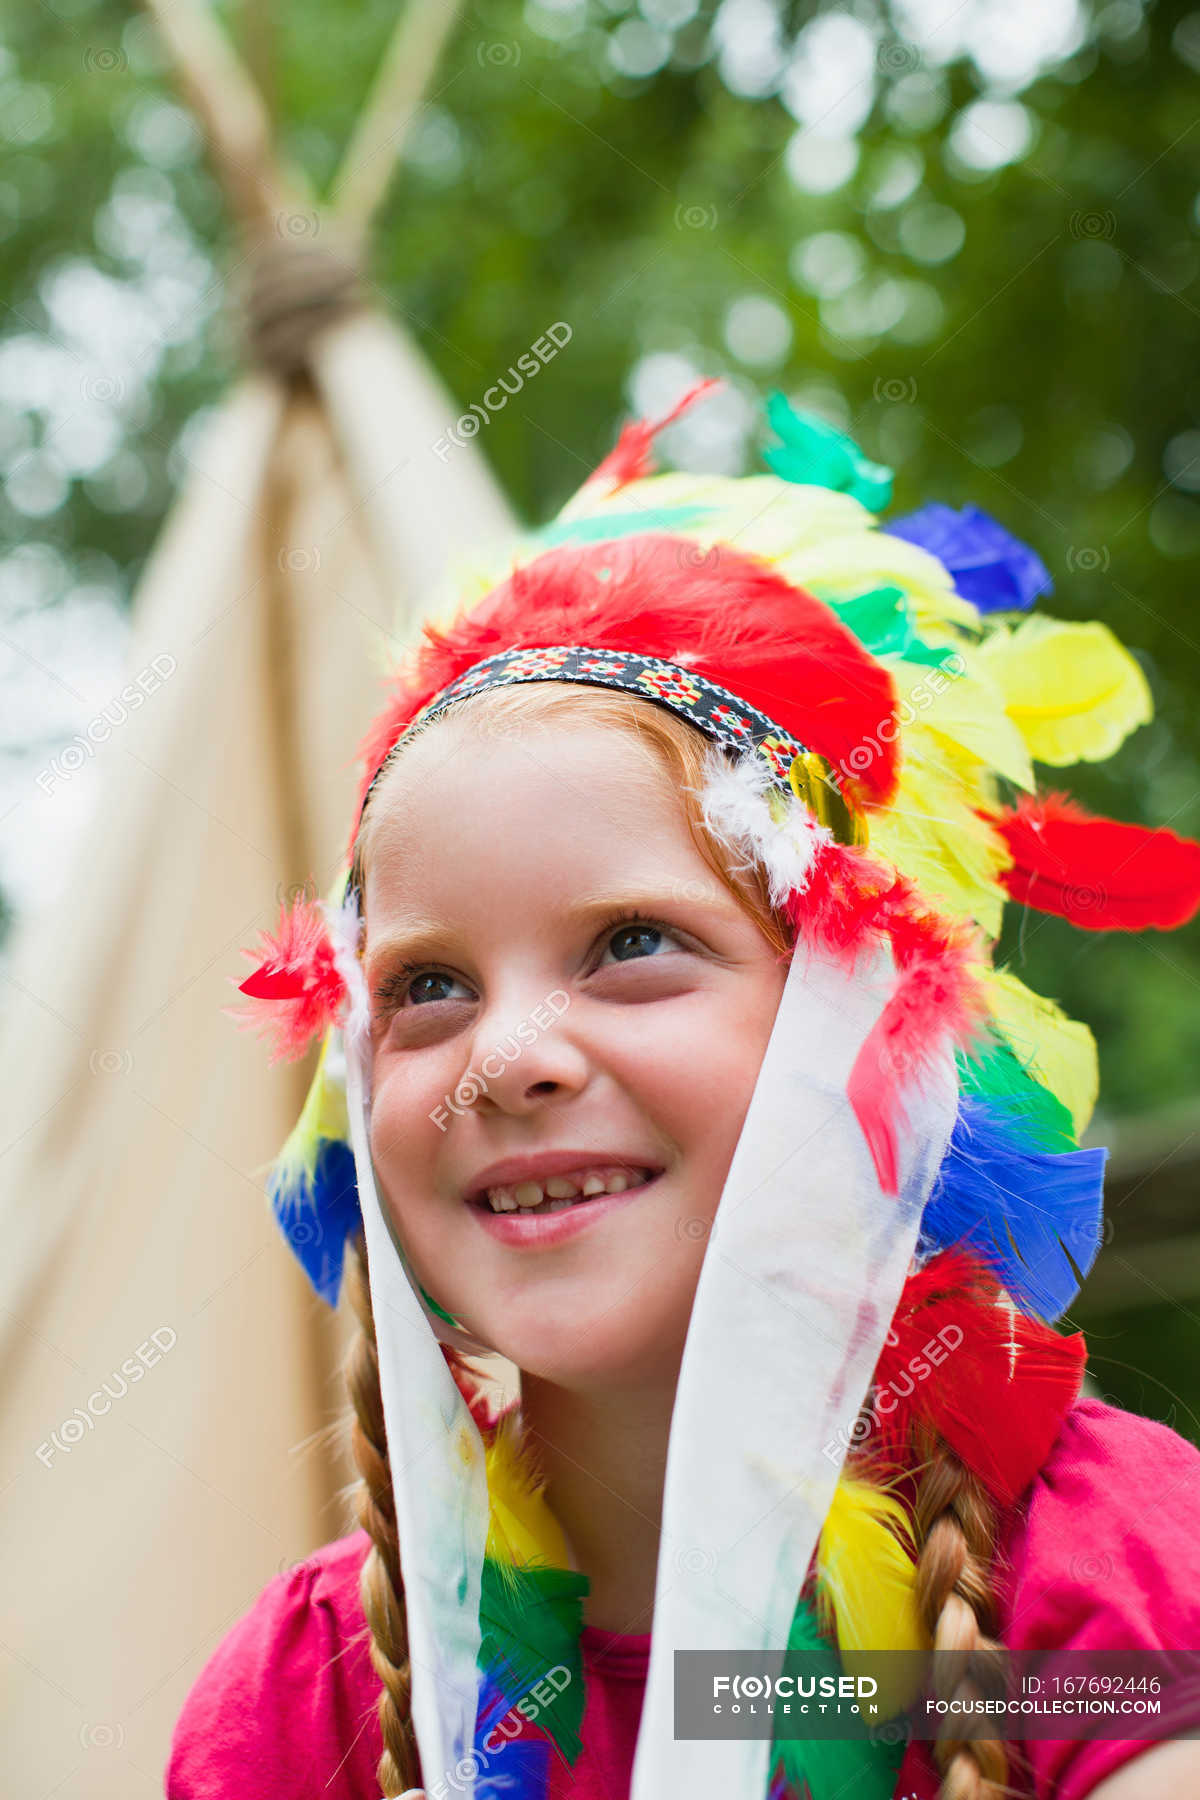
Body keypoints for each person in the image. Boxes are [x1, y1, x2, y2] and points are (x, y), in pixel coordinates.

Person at [166, 380, 1200, 1800]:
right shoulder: (307, 1695)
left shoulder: (1106, 1598)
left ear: (860, 1023)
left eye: (633, 945)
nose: (507, 1057)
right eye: (427, 986)